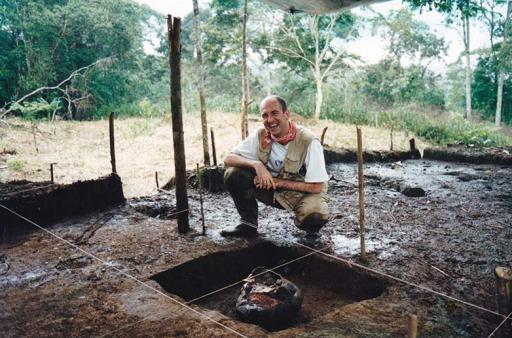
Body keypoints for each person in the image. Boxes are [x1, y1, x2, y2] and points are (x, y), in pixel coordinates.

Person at [221, 95, 329, 239]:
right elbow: (228, 158)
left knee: (315, 214)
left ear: (287, 114)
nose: (270, 120)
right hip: (269, 190)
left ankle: (311, 234)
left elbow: (317, 187)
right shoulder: (261, 135)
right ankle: (248, 224)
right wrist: (256, 164)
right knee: (233, 174)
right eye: (265, 115)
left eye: (274, 113)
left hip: (300, 195)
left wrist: (278, 182)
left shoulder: (308, 141)